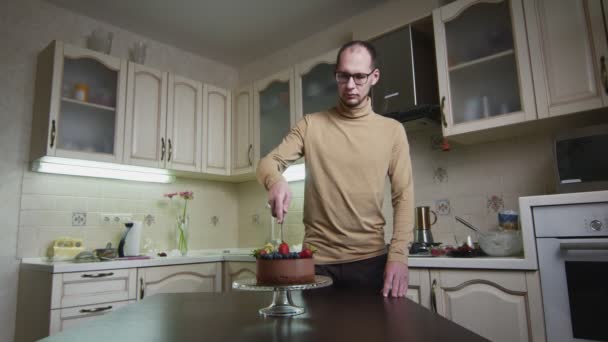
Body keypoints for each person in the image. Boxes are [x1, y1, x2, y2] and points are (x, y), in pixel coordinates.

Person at [256, 40, 414, 298]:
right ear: (336, 75)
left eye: (360, 77)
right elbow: (267, 163)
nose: (350, 85)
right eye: (343, 76)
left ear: (374, 77)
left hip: (370, 263)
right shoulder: (311, 125)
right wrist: (275, 181)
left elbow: (403, 196)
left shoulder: (392, 131)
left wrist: (399, 256)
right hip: (317, 264)